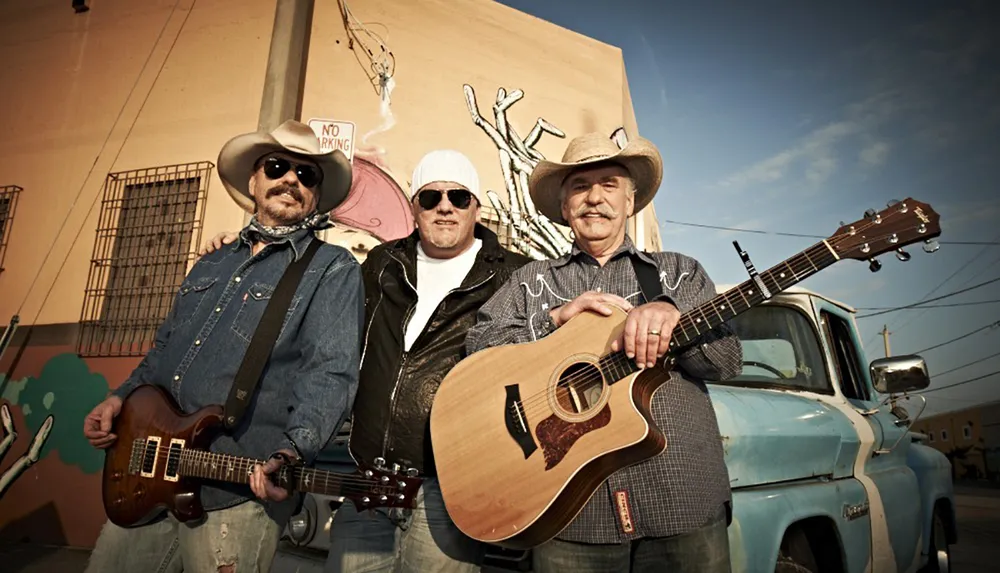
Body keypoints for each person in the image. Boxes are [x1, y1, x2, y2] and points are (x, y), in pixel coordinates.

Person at [198, 149, 533, 572]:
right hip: (368, 481)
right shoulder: (381, 264)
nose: (444, 207)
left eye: (458, 197)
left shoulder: (518, 275)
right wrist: (249, 250)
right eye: (430, 198)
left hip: (451, 487)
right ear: (415, 208)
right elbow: (319, 314)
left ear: (475, 208)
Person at [82, 120, 365, 573]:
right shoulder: (212, 261)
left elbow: (329, 373)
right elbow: (164, 350)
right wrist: (120, 397)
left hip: (237, 493)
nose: (291, 180)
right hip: (148, 478)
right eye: (277, 167)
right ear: (254, 181)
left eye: (306, 175)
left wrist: (293, 451)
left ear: (314, 195)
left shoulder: (332, 268)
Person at [464, 131, 743, 573]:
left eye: (609, 184)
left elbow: (727, 362)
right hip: (569, 513)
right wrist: (552, 320)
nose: (594, 198)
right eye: (580, 186)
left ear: (632, 202)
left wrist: (672, 316)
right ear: (564, 206)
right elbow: (478, 348)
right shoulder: (530, 283)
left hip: (679, 501)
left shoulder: (680, 274)